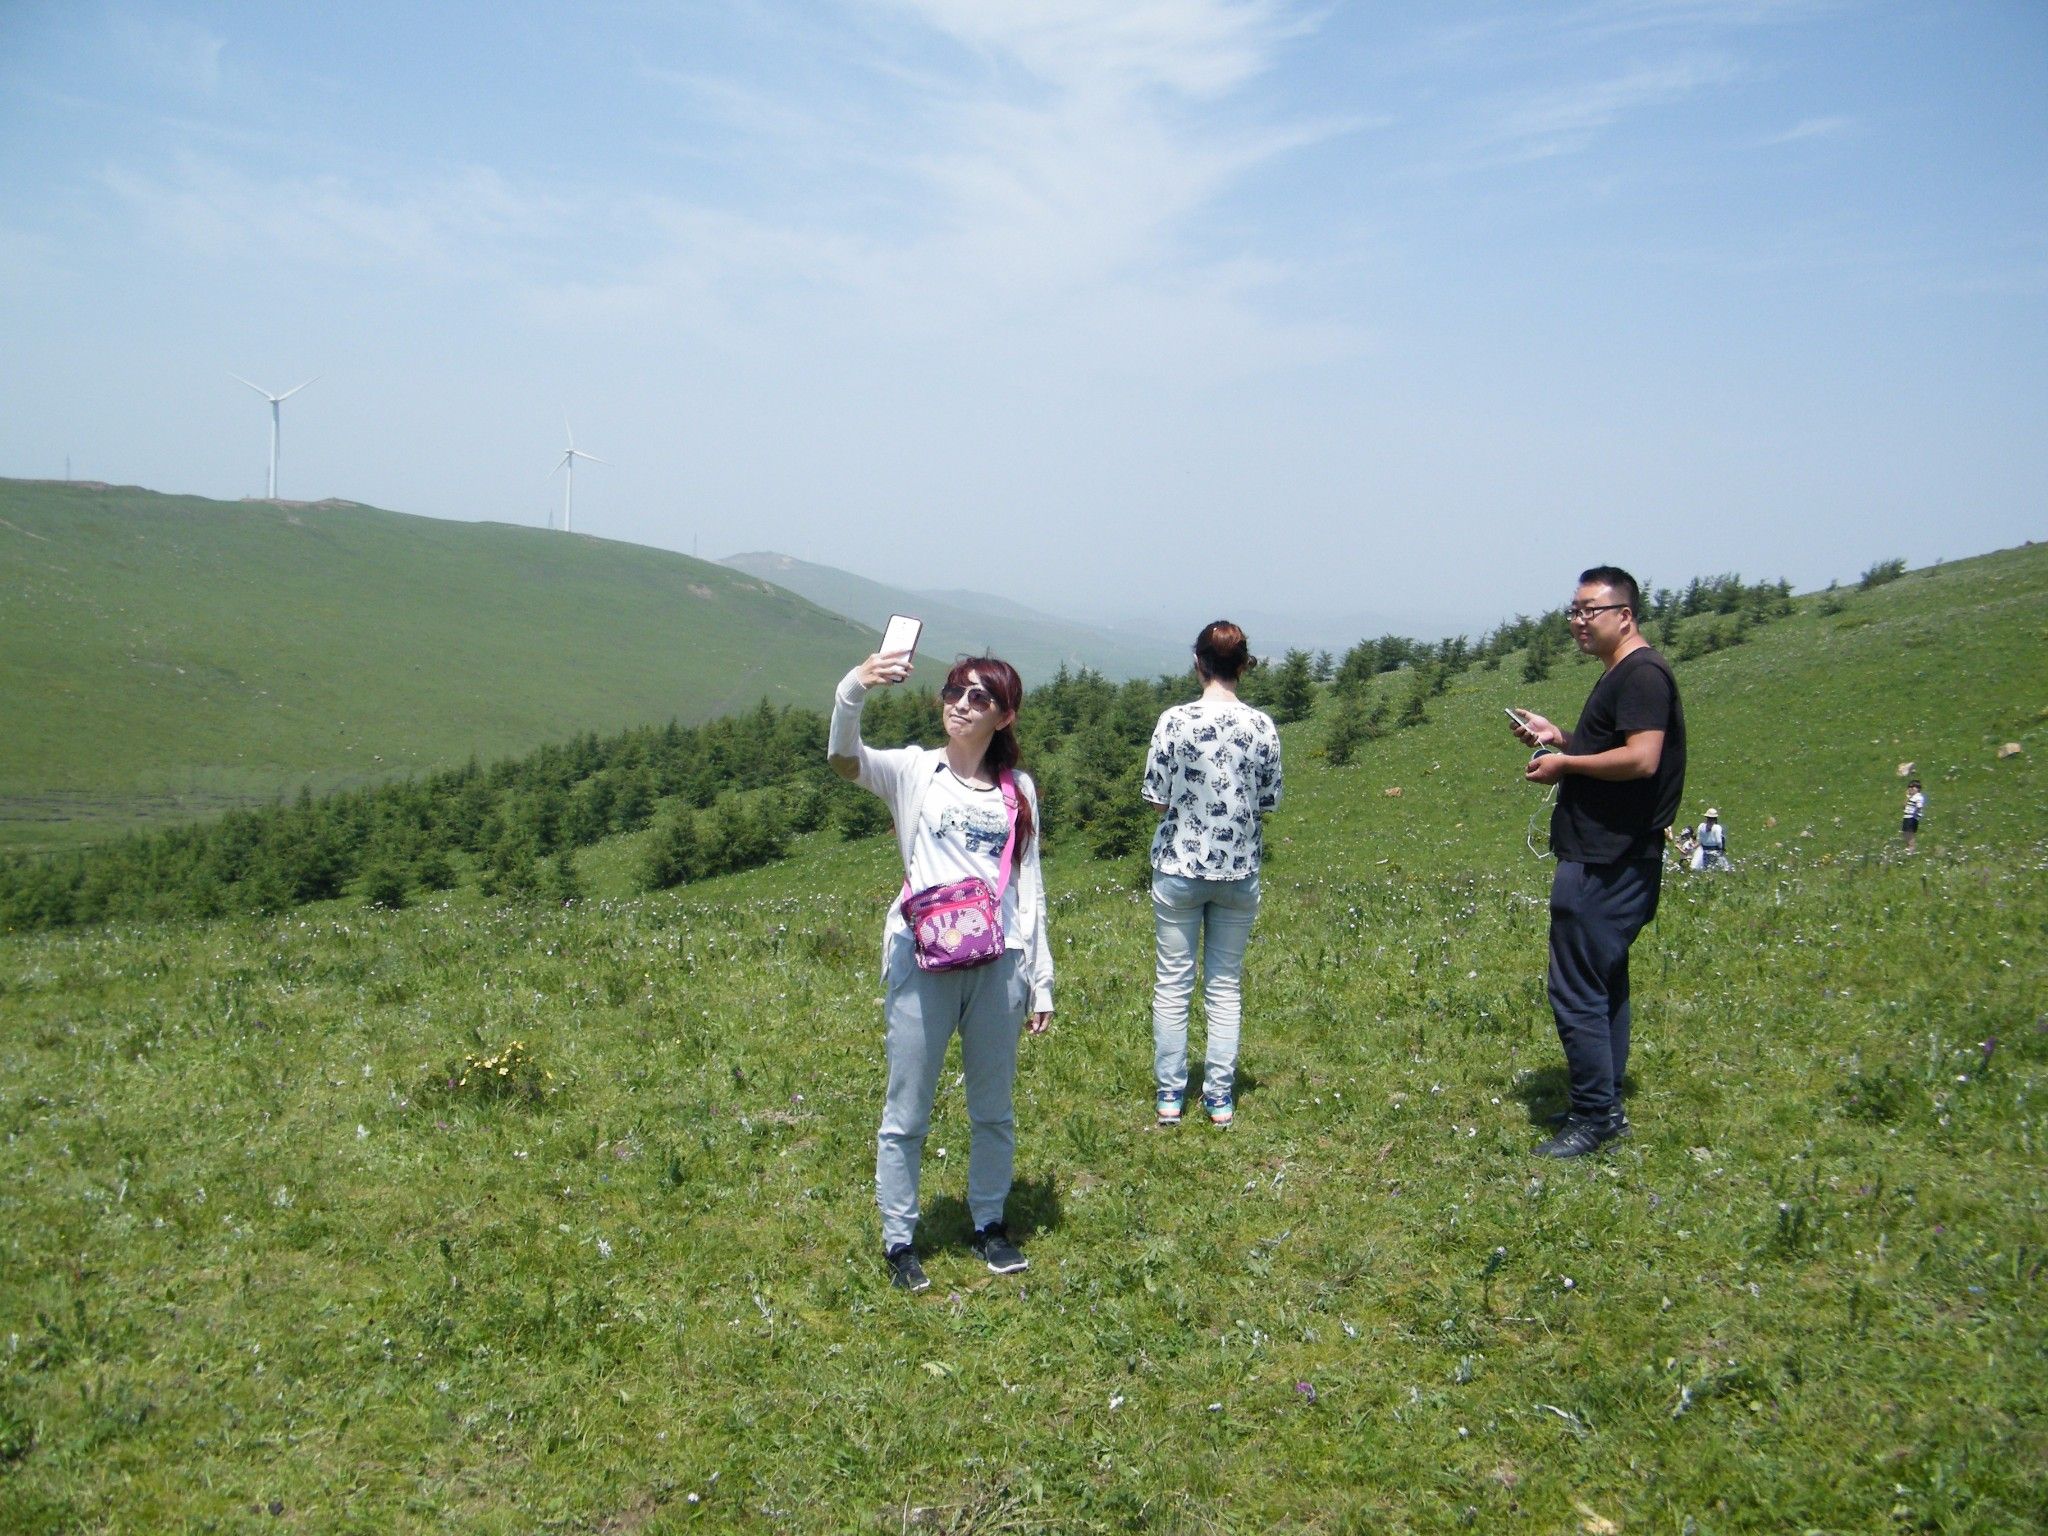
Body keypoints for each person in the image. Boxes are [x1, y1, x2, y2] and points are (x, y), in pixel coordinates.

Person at [829, 648, 1054, 1292]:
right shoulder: (912, 770)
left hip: (999, 961)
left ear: (1005, 716)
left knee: (993, 1107)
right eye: (954, 690)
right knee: (907, 1108)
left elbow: (1029, 889)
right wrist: (855, 687)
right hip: (919, 957)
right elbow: (845, 760)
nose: (960, 702)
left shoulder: (1020, 791)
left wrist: (1041, 979)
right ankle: (899, 1238)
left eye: (979, 696)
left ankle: (989, 1223)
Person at [1510, 566, 1687, 1158]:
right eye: (1574, 610)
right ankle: (1602, 1102)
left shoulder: (1641, 675)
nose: (1577, 621)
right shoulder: (1626, 674)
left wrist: (1565, 767)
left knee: (1578, 988)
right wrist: (1561, 739)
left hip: (1607, 858)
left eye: (1590, 610)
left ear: (1625, 615)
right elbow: (1619, 748)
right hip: (1613, 852)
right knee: (1604, 982)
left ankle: (1594, 1118)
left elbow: (1641, 759)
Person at [1140, 621, 1283, 1128]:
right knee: (1225, 986)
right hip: (1238, 871)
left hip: (1179, 866)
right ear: (1243, 665)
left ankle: (1169, 1097)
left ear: (1198, 662)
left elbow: (1157, 799)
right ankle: (1219, 1098)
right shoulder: (1262, 726)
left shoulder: (1173, 722)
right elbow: (1268, 802)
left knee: (1173, 985)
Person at [1902, 779, 1926, 852]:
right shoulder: (1910, 797)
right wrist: (1907, 797)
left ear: (1918, 789)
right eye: (1909, 787)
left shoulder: (1919, 797)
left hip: (1912, 818)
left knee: (1910, 834)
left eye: (1912, 787)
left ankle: (1911, 848)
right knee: (1905, 833)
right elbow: (1903, 806)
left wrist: (1916, 814)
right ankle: (1908, 847)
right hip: (1907, 817)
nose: (1910, 788)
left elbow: (1919, 806)